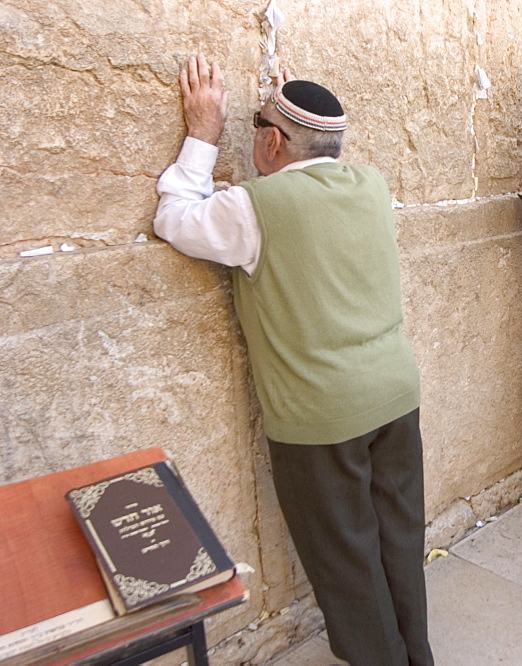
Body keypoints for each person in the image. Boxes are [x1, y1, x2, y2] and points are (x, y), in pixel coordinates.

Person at [153, 55, 433, 665]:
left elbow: (173, 218)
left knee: (346, 561)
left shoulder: (253, 207)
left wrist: (201, 136)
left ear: (272, 141)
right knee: (399, 541)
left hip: (320, 415)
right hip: (394, 395)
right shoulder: (370, 185)